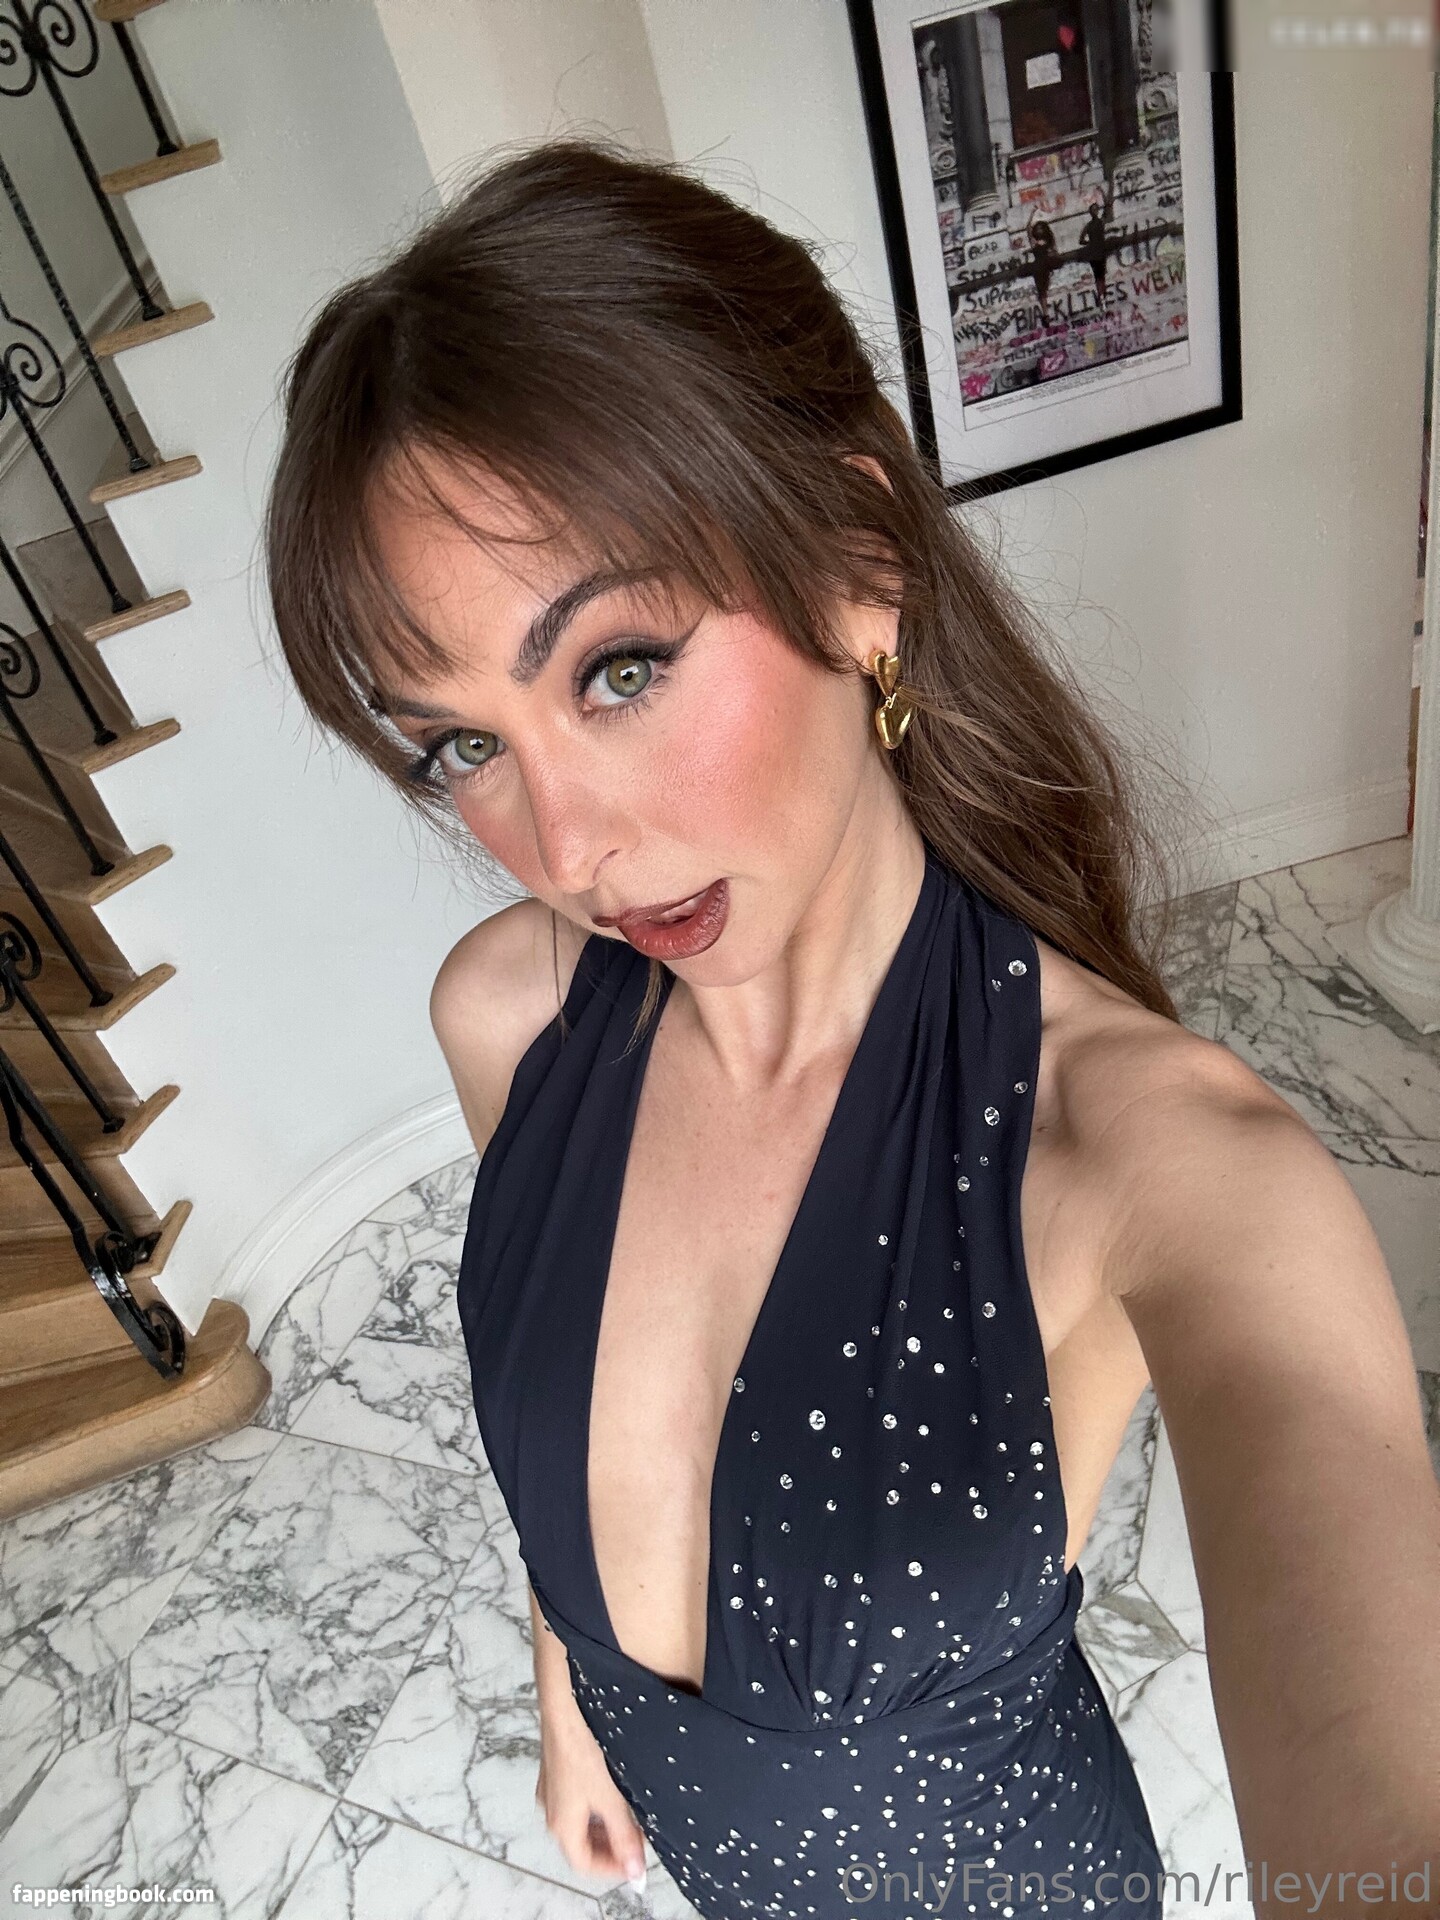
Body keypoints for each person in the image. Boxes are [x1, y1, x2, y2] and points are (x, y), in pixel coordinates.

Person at [262, 138, 1440, 1920]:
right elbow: (565, 1428)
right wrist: (573, 1706)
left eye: (620, 669)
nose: (565, 849)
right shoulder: (512, 1020)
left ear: (858, 557)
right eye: (463, 746)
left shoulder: (1158, 1163)